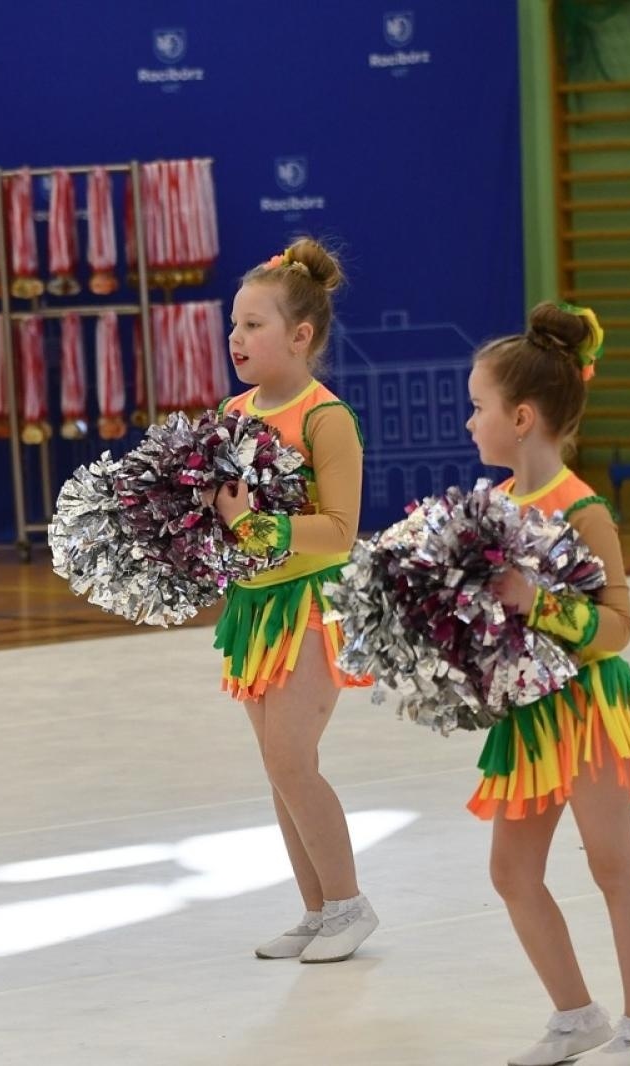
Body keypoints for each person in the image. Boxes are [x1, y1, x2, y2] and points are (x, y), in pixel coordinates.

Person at [466, 302, 630, 1064]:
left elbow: (618, 625)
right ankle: (574, 1014)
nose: (470, 422)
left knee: (612, 862)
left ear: (521, 417)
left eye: (478, 407)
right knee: (511, 870)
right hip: (526, 712)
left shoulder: (583, 511)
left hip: (587, 708)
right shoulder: (488, 507)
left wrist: (541, 604)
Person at [207, 238, 379, 964]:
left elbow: (340, 533)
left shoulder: (325, 419)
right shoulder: (232, 410)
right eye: (235, 323)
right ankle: (316, 911)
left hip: (312, 605)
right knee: (278, 767)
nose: (236, 337)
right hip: (253, 608)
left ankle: (349, 905)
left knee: (292, 759)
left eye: (254, 325)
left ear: (300, 336)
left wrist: (259, 524)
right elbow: (222, 514)